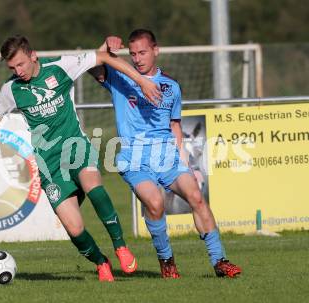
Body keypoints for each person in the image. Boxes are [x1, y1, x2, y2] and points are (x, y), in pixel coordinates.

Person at [0, 35, 161, 282]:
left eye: (21, 64)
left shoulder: (59, 67)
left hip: (75, 145)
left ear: (33, 55)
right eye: (12, 68)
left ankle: (120, 246)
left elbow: (100, 57)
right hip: (49, 163)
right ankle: (101, 262)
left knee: (94, 187)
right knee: (75, 228)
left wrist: (141, 81)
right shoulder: (11, 89)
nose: (18, 71)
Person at [89, 29, 242, 278]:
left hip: (168, 157)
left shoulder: (171, 86)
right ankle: (166, 261)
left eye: (143, 52)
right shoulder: (121, 78)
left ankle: (220, 261)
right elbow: (93, 64)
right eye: (133, 53)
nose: (137, 58)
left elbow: (175, 125)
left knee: (197, 197)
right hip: (135, 158)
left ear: (156, 50)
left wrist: (183, 159)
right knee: (156, 203)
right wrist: (105, 45)